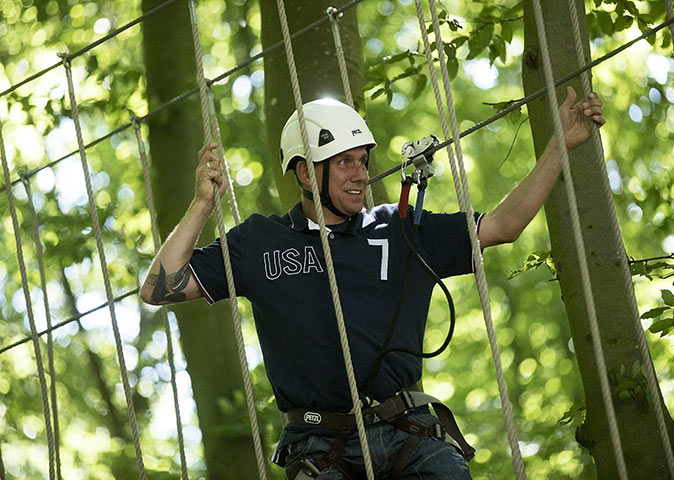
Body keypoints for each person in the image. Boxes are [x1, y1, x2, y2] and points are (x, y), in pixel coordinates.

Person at [141, 87, 605, 479]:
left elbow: (503, 224)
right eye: (344, 162)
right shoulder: (260, 243)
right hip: (320, 445)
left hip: (408, 430)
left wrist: (560, 145)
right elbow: (158, 289)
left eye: (363, 161)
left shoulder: (401, 229)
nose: (361, 174)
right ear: (306, 172)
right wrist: (203, 205)